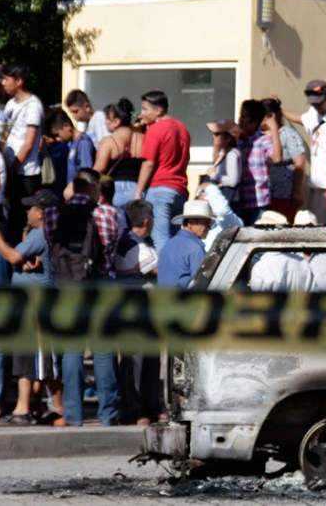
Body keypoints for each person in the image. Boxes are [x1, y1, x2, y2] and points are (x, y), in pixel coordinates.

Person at [44, 169, 120, 427]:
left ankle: (73, 415)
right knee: (102, 352)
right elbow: (110, 247)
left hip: (67, 289)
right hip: (100, 285)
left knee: (71, 352)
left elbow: (51, 244)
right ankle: (108, 415)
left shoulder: (54, 213)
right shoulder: (108, 213)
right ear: (93, 188)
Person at [0, 189, 61, 426]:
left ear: (41, 213)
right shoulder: (42, 234)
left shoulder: (40, 234)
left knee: (34, 360)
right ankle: (31, 407)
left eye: (31, 208)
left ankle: (36, 409)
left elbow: (13, 257)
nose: (27, 211)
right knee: (33, 359)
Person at [114, 199, 162, 426]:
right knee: (136, 362)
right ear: (147, 220)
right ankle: (135, 409)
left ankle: (150, 406)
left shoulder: (132, 241)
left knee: (147, 361)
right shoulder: (134, 245)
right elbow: (157, 269)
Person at [135, 91, 191, 253]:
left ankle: (166, 276)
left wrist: (138, 192)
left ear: (158, 110)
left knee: (160, 239)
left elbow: (148, 164)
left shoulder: (156, 129)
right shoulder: (182, 129)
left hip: (159, 189)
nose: (141, 114)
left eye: (145, 109)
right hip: (179, 190)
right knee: (174, 239)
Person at [275, 79, 326, 224]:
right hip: (317, 185)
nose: (316, 105)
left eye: (319, 102)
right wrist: (279, 108)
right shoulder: (313, 114)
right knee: (317, 227)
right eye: (313, 102)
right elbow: (299, 119)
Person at [2, 64, 45, 240]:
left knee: (24, 219)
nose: (2, 83)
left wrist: (14, 166)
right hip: (11, 168)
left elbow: (29, 142)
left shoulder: (33, 105)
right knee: (12, 216)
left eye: (6, 79)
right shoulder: (11, 104)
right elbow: (6, 132)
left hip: (26, 173)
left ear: (19, 81)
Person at [237, 99, 282, 225]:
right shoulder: (238, 141)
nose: (240, 120)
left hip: (259, 202)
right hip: (240, 201)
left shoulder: (263, 140)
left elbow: (277, 158)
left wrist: (274, 130)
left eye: (244, 117)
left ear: (255, 121)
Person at [95, 98, 142, 214]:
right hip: (138, 189)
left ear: (116, 122)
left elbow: (99, 169)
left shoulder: (108, 141)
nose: (105, 122)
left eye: (107, 119)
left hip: (115, 189)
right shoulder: (143, 139)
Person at [263, 98, 307, 222]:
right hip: (262, 196)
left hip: (283, 194)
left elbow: (300, 162)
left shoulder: (288, 134)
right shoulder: (257, 135)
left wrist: (297, 192)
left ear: (271, 116)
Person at [158, 200, 214, 288]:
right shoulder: (195, 249)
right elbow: (200, 283)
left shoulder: (167, 245)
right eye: (206, 223)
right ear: (191, 222)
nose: (209, 227)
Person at [48, 109, 95, 197]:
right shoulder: (72, 144)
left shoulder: (83, 142)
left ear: (67, 126)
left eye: (58, 134)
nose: (58, 139)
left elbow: (85, 172)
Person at [195, 182, 243, 251]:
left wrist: (210, 187)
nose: (204, 209)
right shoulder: (192, 227)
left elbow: (222, 211)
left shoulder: (227, 224)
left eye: (209, 205)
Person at [204, 119, 241, 202]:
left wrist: (213, 175)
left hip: (230, 203)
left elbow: (233, 181)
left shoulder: (232, 155)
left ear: (228, 138)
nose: (213, 136)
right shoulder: (223, 153)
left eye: (217, 134)